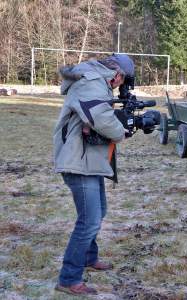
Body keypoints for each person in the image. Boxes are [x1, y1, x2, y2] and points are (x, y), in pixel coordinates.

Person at [53, 54, 135, 295]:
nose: (121, 86)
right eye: (123, 81)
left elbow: (99, 116)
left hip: (88, 160)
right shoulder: (91, 81)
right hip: (77, 161)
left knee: (98, 212)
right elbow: (99, 117)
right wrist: (122, 132)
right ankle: (69, 279)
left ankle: (89, 257)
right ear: (117, 74)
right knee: (88, 221)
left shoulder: (95, 80)